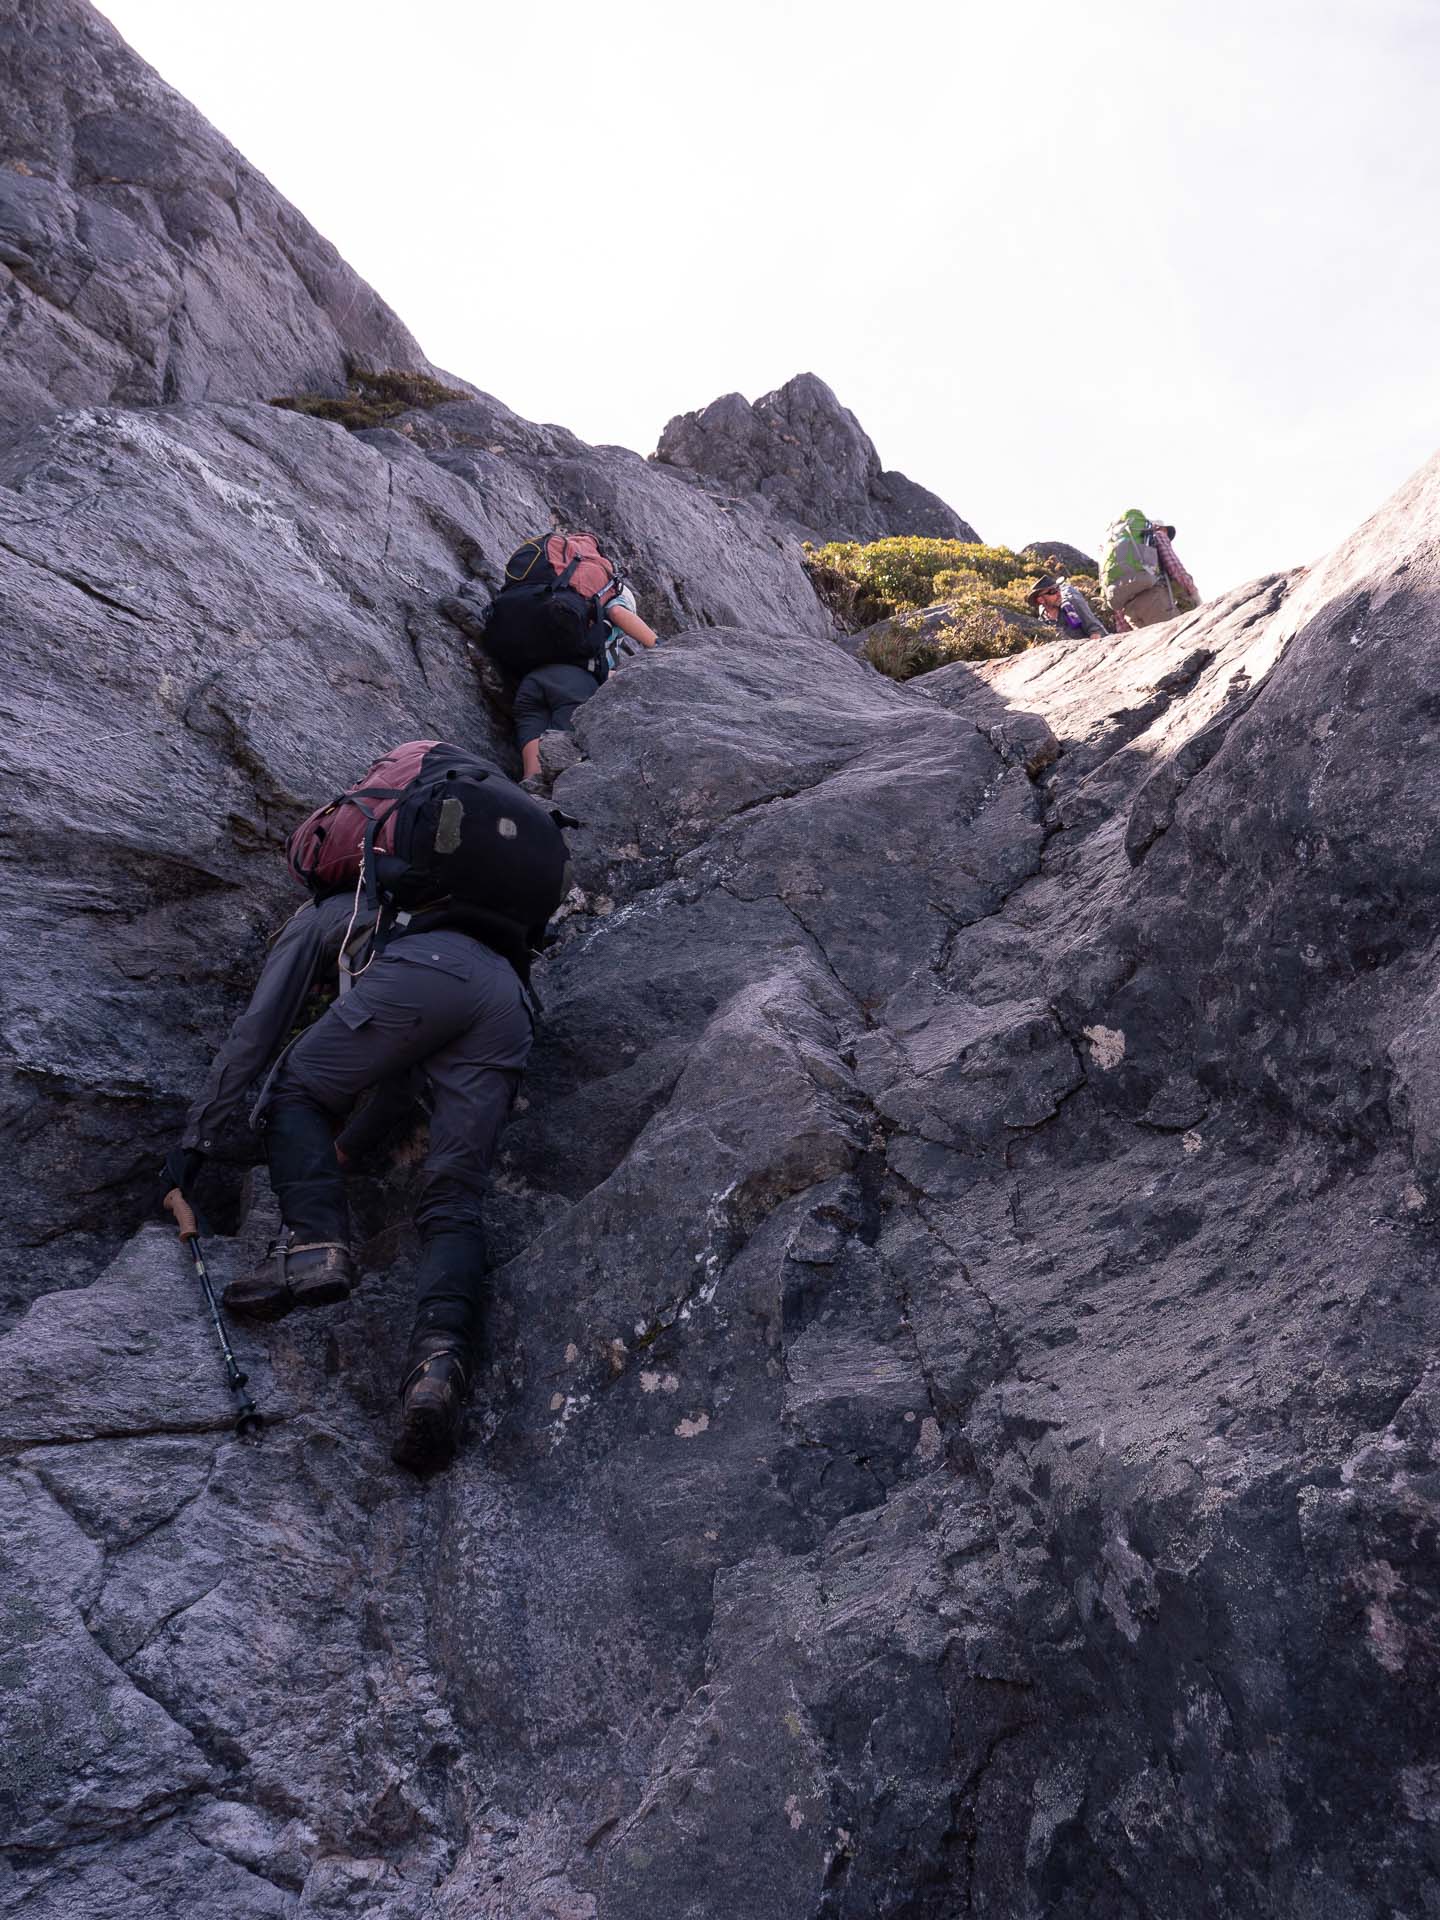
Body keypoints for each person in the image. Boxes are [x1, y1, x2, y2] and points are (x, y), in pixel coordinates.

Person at [164, 745, 563, 1472]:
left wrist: (202, 1143)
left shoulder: (340, 909)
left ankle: (313, 1247)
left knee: (295, 1090)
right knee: (454, 1196)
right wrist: (350, 1152)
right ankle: (436, 1370)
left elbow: (260, 1034)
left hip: (425, 974)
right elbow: (402, 1079)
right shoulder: (488, 903)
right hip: (507, 1001)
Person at [513, 581, 658, 787]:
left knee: (533, 777)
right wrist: (661, 647)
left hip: (532, 681)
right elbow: (618, 612)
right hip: (571, 686)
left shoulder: (560, 597)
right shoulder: (615, 594)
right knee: (554, 768)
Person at [1026, 571, 1108, 638]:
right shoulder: (1043, 620)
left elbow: (1096, 630)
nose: (1059, 593)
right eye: (1052, 591)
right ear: (1041, 600)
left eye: (1058, 588)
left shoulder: (1072, 604)